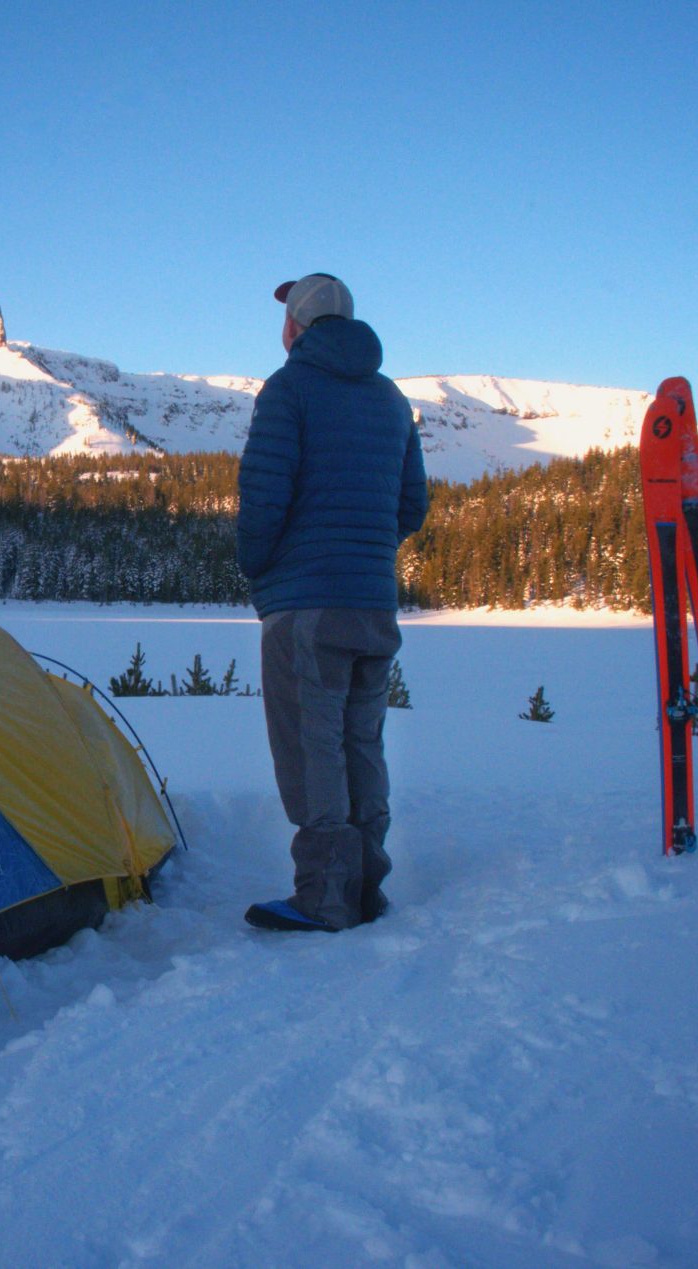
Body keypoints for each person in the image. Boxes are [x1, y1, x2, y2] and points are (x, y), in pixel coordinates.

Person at [237, 273, 428, 932]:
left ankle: (325, 894)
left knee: (311, 747)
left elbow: (264, 499)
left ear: (296, 325)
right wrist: (366, 551)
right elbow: (412, 506)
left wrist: (261, 565)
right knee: (361, 743)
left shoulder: (288, 389)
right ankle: (366, 887)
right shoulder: (391, 399)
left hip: (305, 605)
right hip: (373, 603)